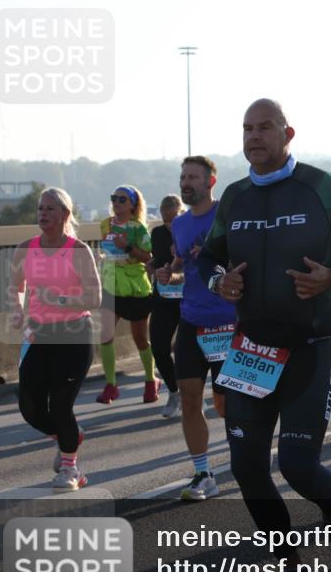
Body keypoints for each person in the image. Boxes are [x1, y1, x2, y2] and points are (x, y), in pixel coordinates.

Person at [196, 99, 331, 572]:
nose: (254, 136)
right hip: (249, 350)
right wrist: (221, 280)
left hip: (308, 345)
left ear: (288, 133)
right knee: (247, 468)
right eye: (246, 129)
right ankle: (291, 569)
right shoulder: (235, 197)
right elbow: (209, 259)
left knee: (299, 465)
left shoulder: (320, 185)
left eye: (264, 128)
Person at [9, 188, 102, 490]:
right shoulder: (26, 248)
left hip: (74, 333)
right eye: (40, 208)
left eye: (50, 208)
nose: (43, 213)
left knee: (62, 405)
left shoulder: (78, 251)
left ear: (64, 214)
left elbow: (95, 297)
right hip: (39, 333)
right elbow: (16, 286)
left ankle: (71, 470)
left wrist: (59, 299)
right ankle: (68, 435)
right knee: (29, 407)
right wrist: (16, 310)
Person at [156, 156, 236, 501]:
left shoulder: (228, 216)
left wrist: (216, 256)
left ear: (210, 182)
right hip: (191, 320)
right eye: (183, 177)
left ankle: (244, 455)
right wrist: (167, 274)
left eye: (192, 177)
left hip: (228, 322)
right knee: (189, 397)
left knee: (227, 403)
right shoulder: (180, 224)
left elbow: (247, 258)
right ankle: (203, 473)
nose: (185, 183)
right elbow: (181, 266)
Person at [96, 184, 159, 404]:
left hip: (134, 288)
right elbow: (108, 252)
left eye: (122, 199)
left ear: (133, 204)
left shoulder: (138, 228)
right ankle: (111, 385)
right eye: (114, 198)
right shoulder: (105, 224)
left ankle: (151, 380)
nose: (116, 202)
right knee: (105, 335)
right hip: (111, 286)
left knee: (140, 338)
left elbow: (148, 257)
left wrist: (127, 247)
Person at [148, 195, 185, 418]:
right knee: (158, 348)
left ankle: (193, 394)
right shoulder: (158, 234)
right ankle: (174, 391)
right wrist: (151, 265)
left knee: (184, 350)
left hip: (189, 299)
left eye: (173, 220)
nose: (169, 225)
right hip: (163, 298)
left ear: (182, 214)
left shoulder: (192, 231)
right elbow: (157, 258)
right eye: (165, 220)